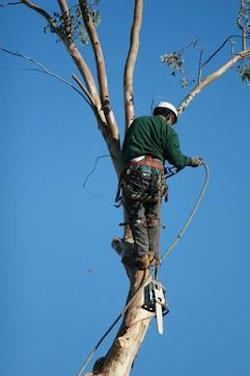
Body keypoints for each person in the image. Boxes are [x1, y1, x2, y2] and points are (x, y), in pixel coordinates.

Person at [121, 101, 202, 270]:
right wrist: (191, 161)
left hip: (134, 173)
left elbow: (125, 151)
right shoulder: (168, 131)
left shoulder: (138, 123)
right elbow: (177, 159)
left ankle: (143, 255)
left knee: (137, 216)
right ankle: (152, 255)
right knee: (153, 218)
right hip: (155, 180)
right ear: (170, 117)